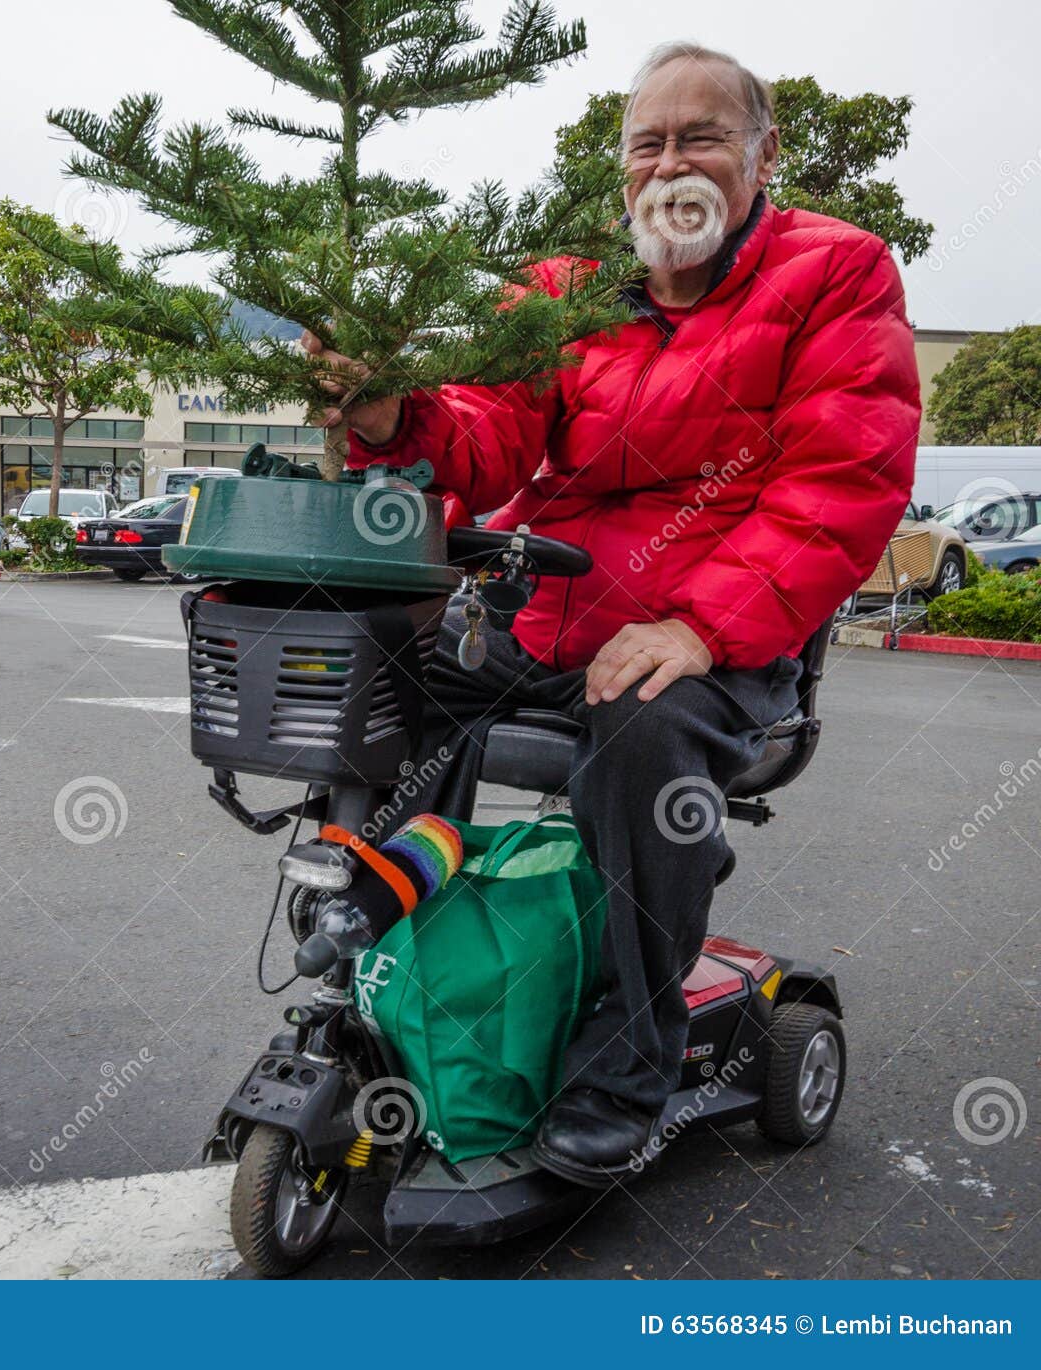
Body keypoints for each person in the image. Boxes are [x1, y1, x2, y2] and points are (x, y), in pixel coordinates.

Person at [308, 41, 919, 1186]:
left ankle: (631, 1057)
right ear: (623, 165)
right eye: (650, 142)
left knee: (646, 726)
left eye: (703, 138)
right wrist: (395, 418)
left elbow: (844, 481)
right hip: (550, 622)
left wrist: (700, 628)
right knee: (390, 672)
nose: (672, 163)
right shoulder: (564, 288)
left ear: (761, 155)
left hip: (723, 641)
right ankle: (394, 929)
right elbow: (488, 438)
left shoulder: (837, 271)